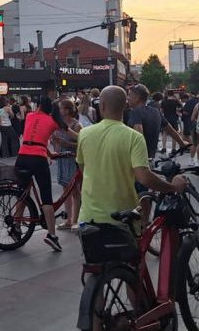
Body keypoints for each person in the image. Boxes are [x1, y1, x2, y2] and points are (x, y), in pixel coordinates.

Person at [77, 87, 187, 265]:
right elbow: (143, 177)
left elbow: (84, 169)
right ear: (125, 106)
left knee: (95, 270)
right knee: (133, 269)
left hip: (89, 216)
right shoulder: (134, 137)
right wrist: (173, 187)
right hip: (122, 216)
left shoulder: (84, 134)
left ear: (102, 106)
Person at [16, 96, 66, 252]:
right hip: (38, 159)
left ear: (37, 106)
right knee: (46, 198)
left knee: (23, 193)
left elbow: (34, 137)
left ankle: (16, 226)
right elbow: (65, 132)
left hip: (22, 157)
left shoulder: (30, 116)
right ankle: (52, 235)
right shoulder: (53, 122)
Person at [126, 84, 188, 159]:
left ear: (137, 98)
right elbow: (171, 130)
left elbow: (139, 135)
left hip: (138, 159)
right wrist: (182, 143)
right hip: (151, 158)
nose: (127, 98)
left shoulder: (135, 112)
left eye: (129, 95)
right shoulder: (155, 111)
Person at [50, 99, 82, 231]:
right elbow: (56, 140)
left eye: (61, 108)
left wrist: (66, 144)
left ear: (67, 110)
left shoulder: (76, 125)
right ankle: (68, 219)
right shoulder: (58, 124)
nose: (59, 110)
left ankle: (75, 219)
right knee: (65, 190)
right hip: (62, 158)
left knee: (74, 191)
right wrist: (55, 143)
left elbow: (82, 142)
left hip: (72, 159)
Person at [181, 92, 199, 160]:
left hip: (191, 122)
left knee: (194, 142)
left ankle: (191, 159)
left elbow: (185, 112)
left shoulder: (190, 102)